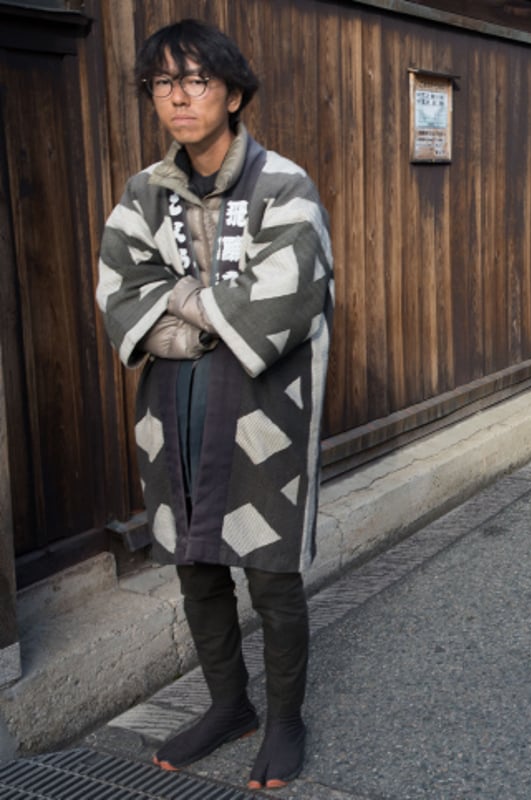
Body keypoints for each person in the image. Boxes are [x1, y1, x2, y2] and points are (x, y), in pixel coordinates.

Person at [95, 19, 333, 791]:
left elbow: (286, 298)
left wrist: (181, 295)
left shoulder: (284, 186)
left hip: (264, 400)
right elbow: (119, 291)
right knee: (195, 560)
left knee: (269, 566)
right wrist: (206, 313)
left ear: (232, 93)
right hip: (175, 400)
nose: (179, 98)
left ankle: (286, 716)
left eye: (196, 81)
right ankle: (229, 704)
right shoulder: (143, 192)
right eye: (164, 83)